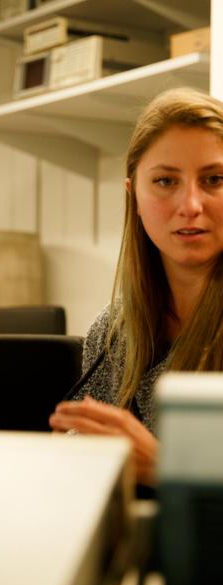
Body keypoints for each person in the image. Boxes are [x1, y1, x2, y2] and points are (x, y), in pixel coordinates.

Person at [50, 87, 223, 487]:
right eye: (165, 181)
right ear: (135, 197)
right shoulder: (111, 332)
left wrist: (166, 468)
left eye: (214, 179)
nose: (191, 205)